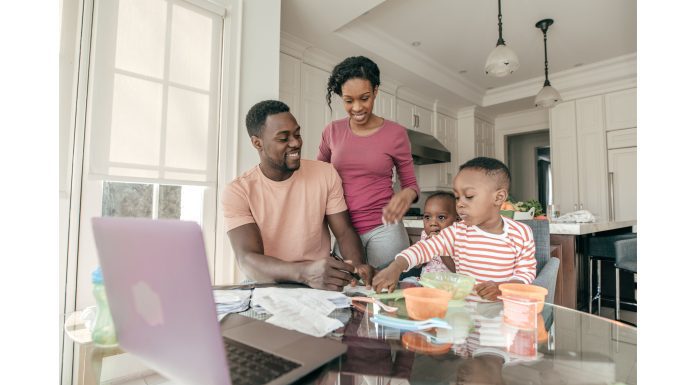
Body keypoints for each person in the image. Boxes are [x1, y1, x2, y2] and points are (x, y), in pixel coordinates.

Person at [221, 100, 374, 291]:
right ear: (257, 142)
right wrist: (305, 272)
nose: (295, 143)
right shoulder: (238, 191)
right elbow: (247, 259)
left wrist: (356, 265)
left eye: (297, 134)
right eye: (283, 139)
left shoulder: (325, 173)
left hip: (320, 280)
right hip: (268, 283)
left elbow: (344, 232)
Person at [372, 157, 537, 299]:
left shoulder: (521, 233)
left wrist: (501, 288)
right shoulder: (457, 231)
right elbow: (424, 248)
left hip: (505, 314)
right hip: (464, 313)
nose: (460, 204)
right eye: (457, 197)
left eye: (469, 196)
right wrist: (396, 266)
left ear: (499, 197)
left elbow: (526, 275)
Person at [319, 56, 420, 268]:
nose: (357, 107)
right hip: (343, 230)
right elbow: (318, 177)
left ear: (376, 91)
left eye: (364, 98)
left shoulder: (395, 133)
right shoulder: (332, 132)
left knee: (386, 295)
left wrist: (406, 194)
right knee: (347, 293)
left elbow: (410, 183)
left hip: (386, 229)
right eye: (348, 100)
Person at [420, 191, 458, 274]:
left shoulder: (457, 239)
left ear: (457, 220)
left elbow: (456, 270)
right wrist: (425, 248)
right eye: (427, 217)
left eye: (441, 217)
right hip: (425, 282)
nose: (433, 223)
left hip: (447, 285)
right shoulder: (425, 235)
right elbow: (417, 265)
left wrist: (440, 248)